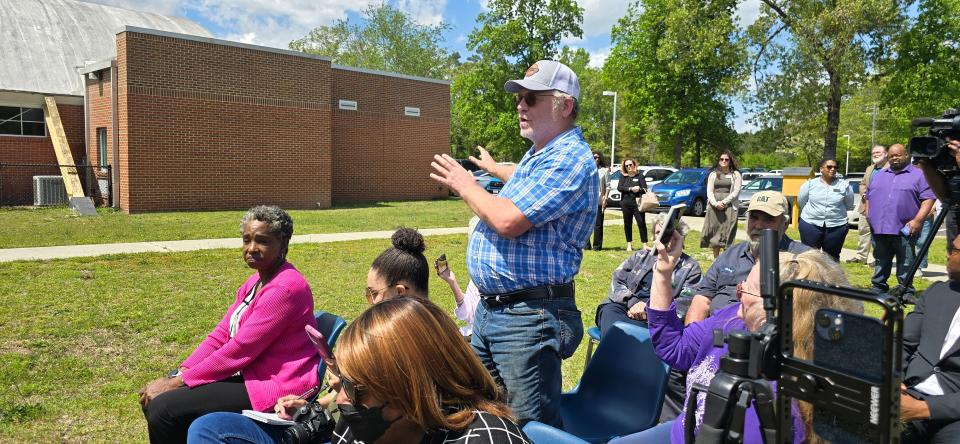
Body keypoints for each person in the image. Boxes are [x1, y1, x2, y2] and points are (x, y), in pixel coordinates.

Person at [429, 59, 597, 427]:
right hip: (498, 312)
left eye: (532, 98)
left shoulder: (569, 157)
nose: (520, 105)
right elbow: (520, 176)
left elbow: (507, 221)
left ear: (564, 105)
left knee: (528, 427)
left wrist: (466, 184)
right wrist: (491, 169)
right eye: (520, 97)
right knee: (482, 409)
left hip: (527, 318)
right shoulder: (543, 153)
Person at [185, 227, 431, 443]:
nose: (370, 302)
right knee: (208, 428)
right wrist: (308, 407)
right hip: (323, 424)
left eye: (373, 293)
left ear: (400, 292)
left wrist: (348, 390)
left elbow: (391, 417)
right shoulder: (383, 331)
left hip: (349, 433)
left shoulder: (423, 345)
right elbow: (340, 399)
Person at [608, 243, 862, 444]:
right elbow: (674, 347)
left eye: (746, 293)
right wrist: (663, 274)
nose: (737, 301)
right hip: (684, 432)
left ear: (778, 307)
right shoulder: (730, 318)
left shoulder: (799, 377)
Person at [190, 298, 531, 444]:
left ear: (410, 389)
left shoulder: (486, 439)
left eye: (355, 388)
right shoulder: (379, 423)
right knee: (213, 428)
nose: (340, 399)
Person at [140, 206, 319, 444]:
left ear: (283, 243)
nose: (251, 248)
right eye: (247, 240)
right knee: (158, 402)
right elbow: (221, 335)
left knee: (164, 409)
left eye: (262, 241)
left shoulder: (285, 289)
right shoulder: (256, 280)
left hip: (273, 384)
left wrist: (175, 383)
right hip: (250, 374)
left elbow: (240, 350)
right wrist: (181, 372)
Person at [685, 191, 811, 324]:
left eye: (768, 219)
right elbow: (702, 299)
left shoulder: (802, 260)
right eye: (754, 217)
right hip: (712, 335)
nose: (758, 226)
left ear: (785, 225)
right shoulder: (731, 254)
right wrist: (692, 336)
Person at [594, 212, 702, 336]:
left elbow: (685, 305)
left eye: (667, 233)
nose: (662, 237)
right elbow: (617, 280)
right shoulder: (641, 256)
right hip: (625, 308)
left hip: (658, 320)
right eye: (657, 233)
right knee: (609, 311)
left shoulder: (690, 268)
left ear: (679, 237)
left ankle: (621, 344)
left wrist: (647, 310)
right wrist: (634, 303)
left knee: (633, 333)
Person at [901, 235, 960, 443]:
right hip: (908, 392)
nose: (947, 254)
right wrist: (892, 377)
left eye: (954, 250)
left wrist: (924, 409)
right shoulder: (937, 292)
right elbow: (902, 343)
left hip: (952, 414)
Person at [865, 143, 935, 296]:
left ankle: (905, 290)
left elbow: (928, 199)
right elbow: (868, 195)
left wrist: (918, 220)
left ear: (906, 156)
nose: (894, 158)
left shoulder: (918, 175)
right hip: (880, 227)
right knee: (881, 259)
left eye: (898, 155)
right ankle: (878, 287)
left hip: (905, 228)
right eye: (891, 155)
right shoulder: (880, 174)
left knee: (906, 262)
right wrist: (869, 214)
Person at [797, 158, 854, 261]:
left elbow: (849, 204)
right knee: (809, 256)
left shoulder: (844, 185)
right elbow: (801, 201)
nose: (832, 169)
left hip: (836, 226)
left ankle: (832, 277)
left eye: (835, 167)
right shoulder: (810, 184)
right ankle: (810, 277)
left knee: (832, 258)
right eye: (829, 167)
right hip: (811, 224)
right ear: (821, 169)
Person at [364, 227, 429, 304]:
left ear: (399, 292)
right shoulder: (438, 315)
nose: (372, 302)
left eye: (374, 293)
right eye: (368, 293)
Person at [848, 145, 888, 265]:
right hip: (865, 206)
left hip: (882, 208)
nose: (875, 154)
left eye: (878, 152)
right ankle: (861, 257)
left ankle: (879, 258)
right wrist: (864, 193)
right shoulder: (870, 168)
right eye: (873, 153)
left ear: (886, 154)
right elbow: (862, 184)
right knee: (863, 232)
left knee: (880, 235)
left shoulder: (891, 168)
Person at [700, 151, 742, 259]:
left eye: (726, 159)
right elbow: (709, 191)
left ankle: (726, 259)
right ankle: (716, 259)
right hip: (714, 208)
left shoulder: (736, 174)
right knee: (716, 231)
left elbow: (736, 192)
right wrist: (715, 203)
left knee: (728, 232)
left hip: (729, 207)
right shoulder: (713, 174)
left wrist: (723, 202)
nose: (723, 161)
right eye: (721, 159)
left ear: (730, 161)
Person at [618, 158, 649, 251]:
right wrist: (630, 189)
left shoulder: (640, 176)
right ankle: (629, 244)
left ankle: (644, 244)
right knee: (627, 224)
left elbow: (645, 189)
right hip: (626, 203)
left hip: (638, 203)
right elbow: (620, 187)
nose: (629, 167)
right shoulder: (623, 177)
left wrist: (639, 188)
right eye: (626, 166)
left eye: (630, 165)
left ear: (634, 165)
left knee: (641, 223)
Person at [589, 151, 610, 250]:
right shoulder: (587, 170)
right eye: (594, 157)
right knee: (587, 223)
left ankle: (597, 246)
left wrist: (605, 197)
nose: (596, 159)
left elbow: (608, 186)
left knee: (598, 224)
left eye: (597, 157)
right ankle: (586, 245)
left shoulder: (604, 171)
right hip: (588, 201)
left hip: (599, 199)